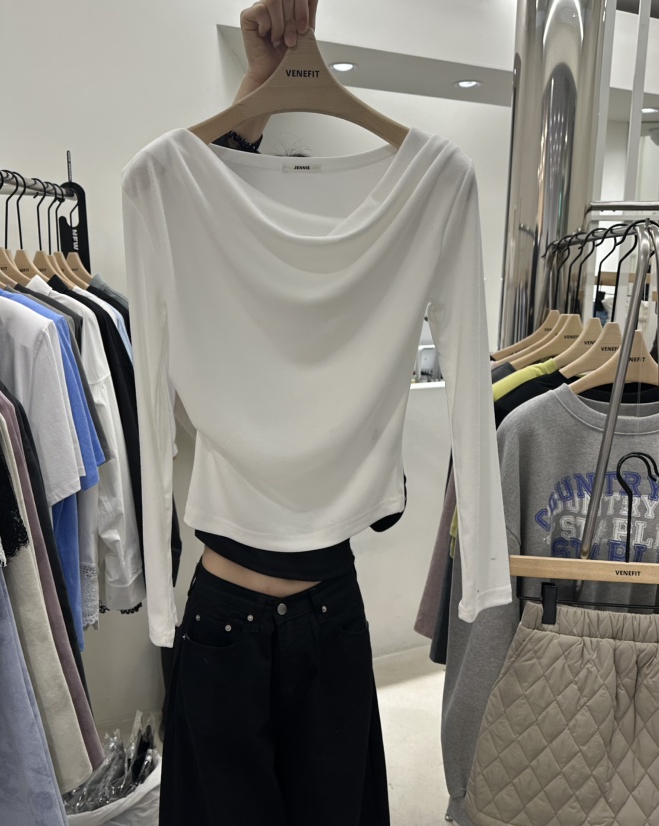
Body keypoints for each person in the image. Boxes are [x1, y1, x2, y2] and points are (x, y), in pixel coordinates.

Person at [160, 2, 392, 825]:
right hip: (229, 608)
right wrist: (259, 91)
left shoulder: (396, 223)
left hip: (322, 603)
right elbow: (192, 208)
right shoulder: (198, 241)